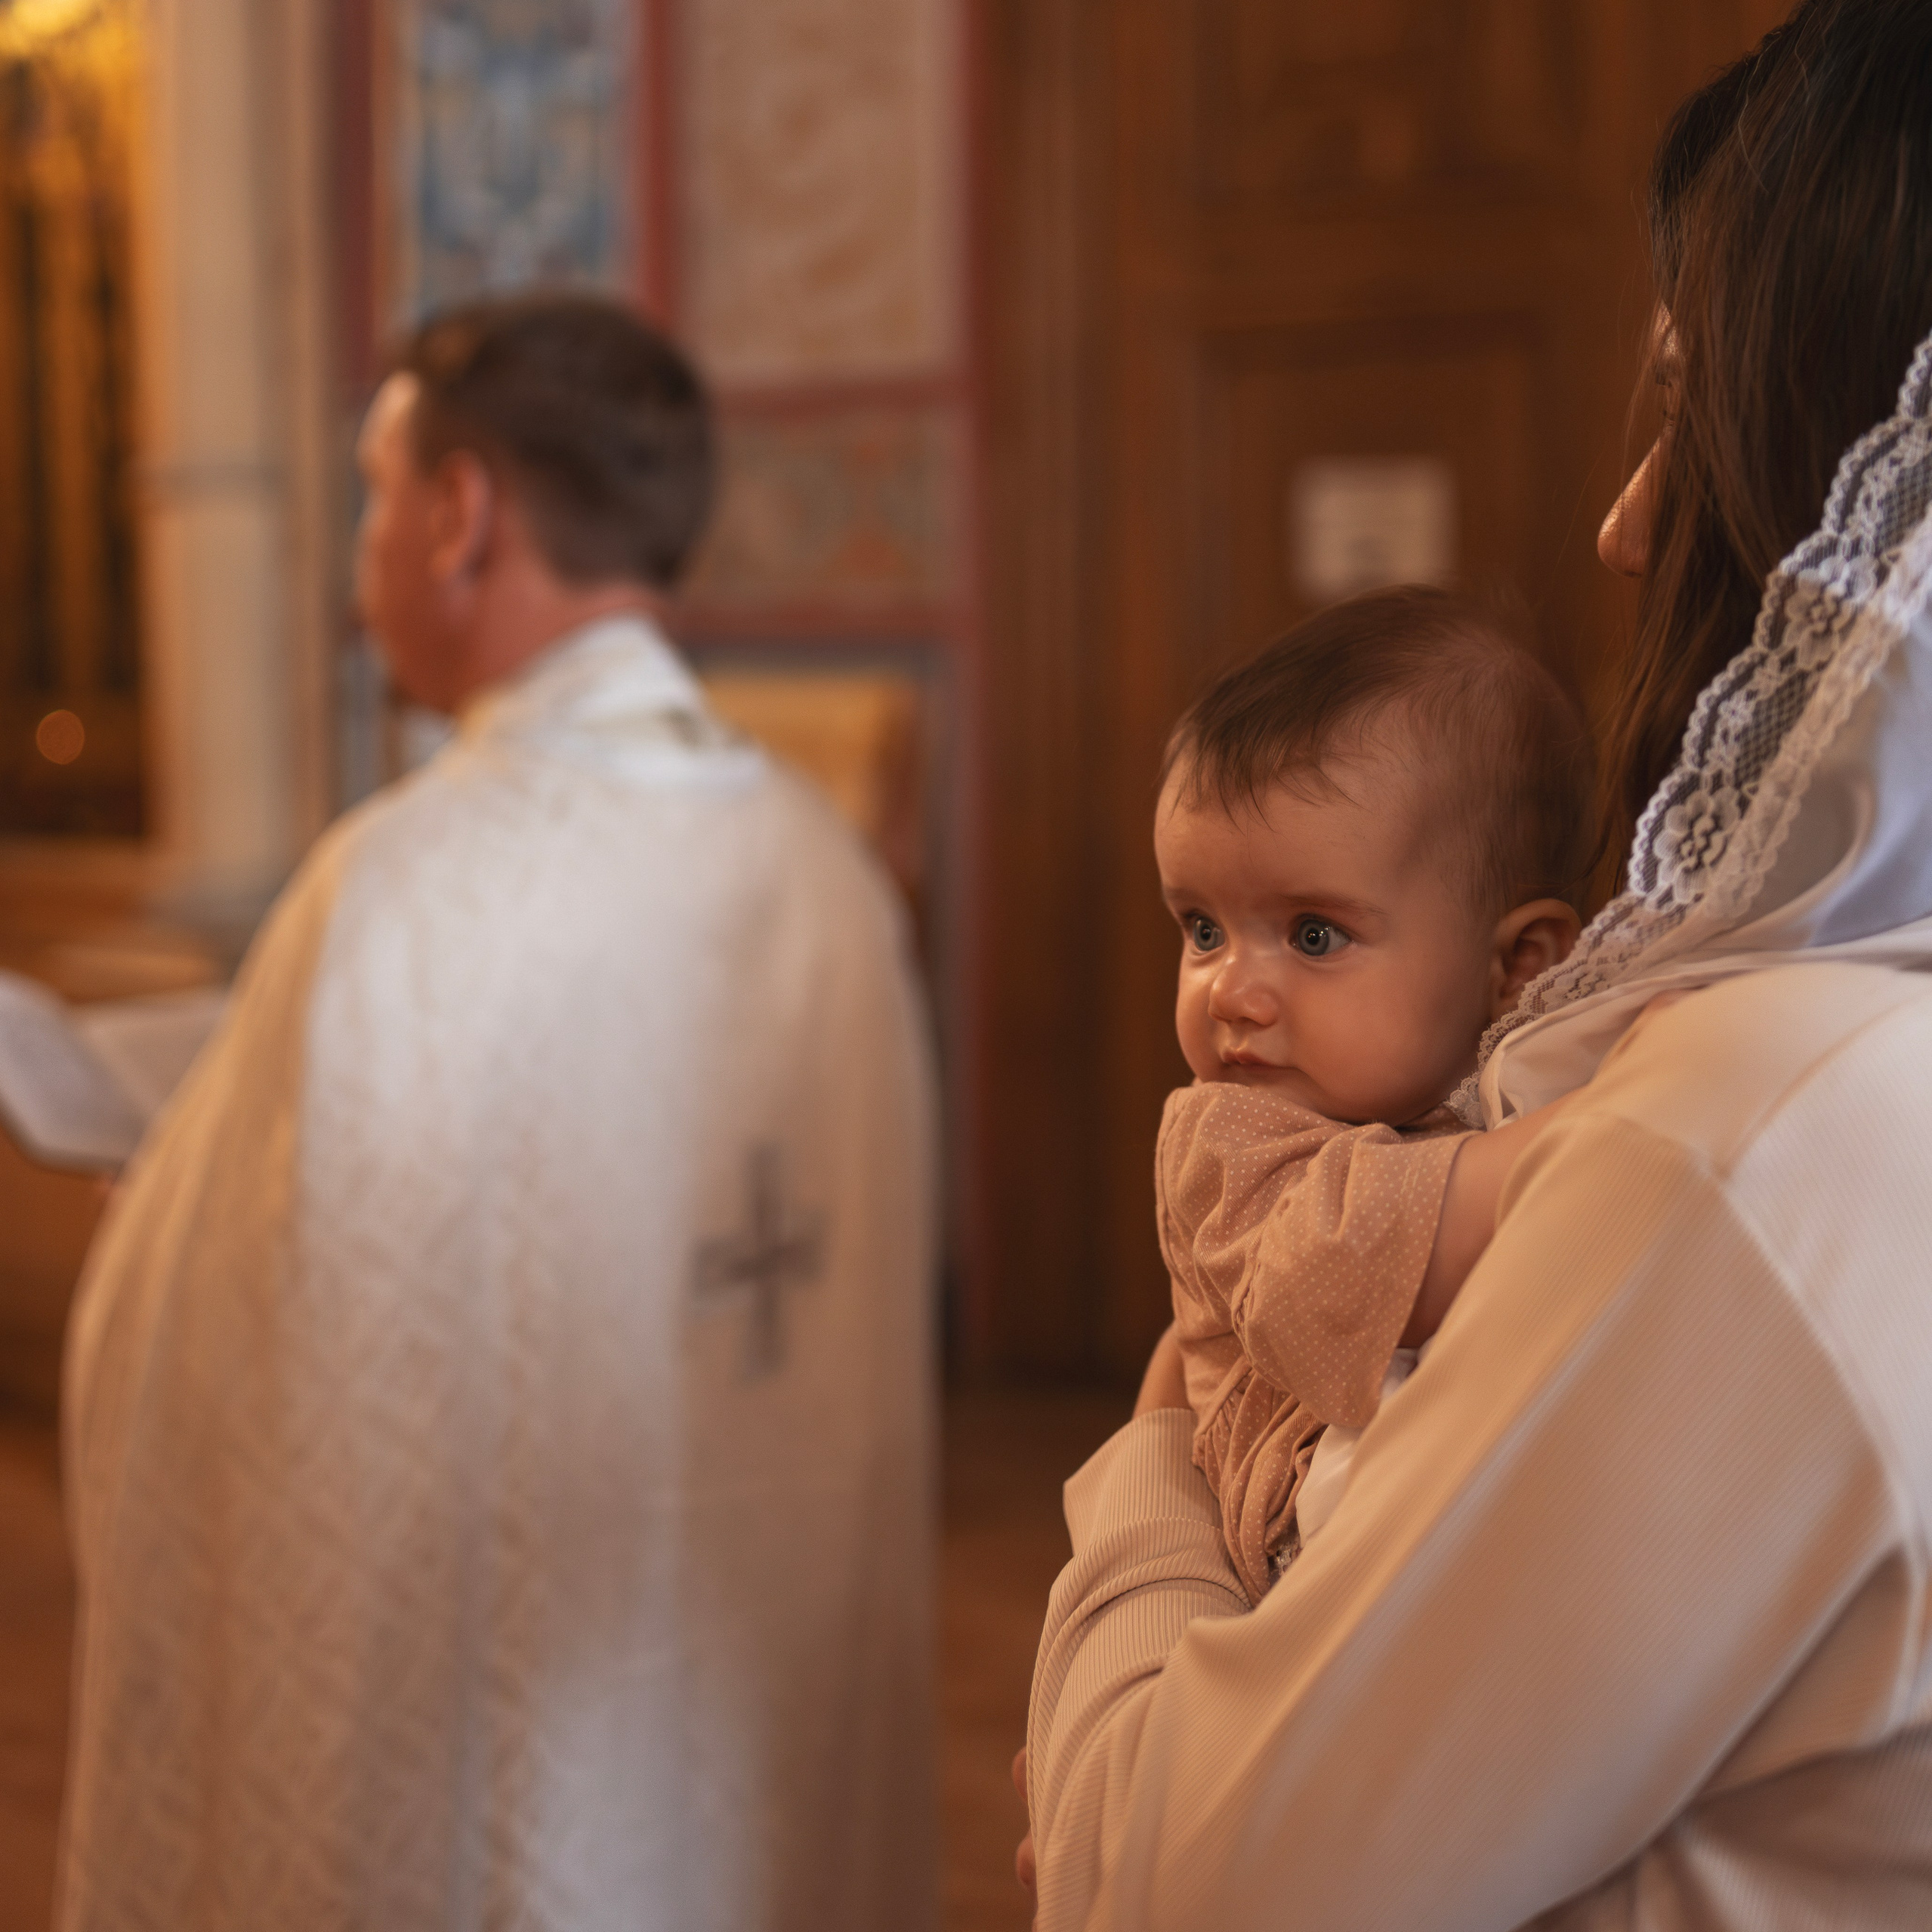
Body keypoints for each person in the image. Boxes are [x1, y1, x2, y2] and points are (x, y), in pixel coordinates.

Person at [1023, 2, 1932, 1924]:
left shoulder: (1755, 1116)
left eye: (1687, 412)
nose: (1621, 526)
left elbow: (1179, 1886)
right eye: (1203, 927)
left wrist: (1152, 1465)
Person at [57, 295, 938, 1931]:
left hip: (516, 1773)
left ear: (464, 517)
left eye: (379, 496)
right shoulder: (826, 878)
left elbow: (258, 1356)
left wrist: (170, 1221)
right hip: (750, 1726)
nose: (365, 553)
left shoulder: (409, 887)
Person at [1152, 591, 1588, 1601]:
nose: (1230, 990)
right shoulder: (1223, 1137)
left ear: (1516, 965)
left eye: (1311, 935)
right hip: (1283, 1553)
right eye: (1201, 926)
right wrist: (1611, 1127)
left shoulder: (1515, 1075)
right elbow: (1333, 1260)